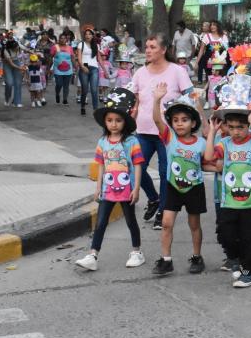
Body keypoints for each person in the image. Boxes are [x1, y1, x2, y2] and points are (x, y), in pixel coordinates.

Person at [203, 99, 251, 288]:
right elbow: (209, 157)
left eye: (240, 127)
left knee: (249, 238)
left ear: (248, 126)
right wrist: (212, 132)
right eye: (231, 127)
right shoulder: (225, 143)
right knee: (226, 235)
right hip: (229, 201)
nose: (236, 131)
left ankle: (248, 272)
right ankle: (234, 259)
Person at [75, 88, 146, 271]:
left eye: (118, 120)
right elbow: (101, 165)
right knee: (100, 223)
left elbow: (138, 165)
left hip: (126, 190)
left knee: (131, 221)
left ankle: (137, 252)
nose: (113, 124)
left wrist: (136, 188)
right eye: (110, 120)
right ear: (105, 122)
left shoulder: (132, 141)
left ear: (125, 122)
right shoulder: (103, 142)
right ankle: (93, 255)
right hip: (107, 190)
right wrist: (98, 187)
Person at [131, 33, 194, 230]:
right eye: (147, 47)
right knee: (134, 167)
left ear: (164, 49)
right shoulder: (140, 72)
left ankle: (163, 211)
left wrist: (199, 123)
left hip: (168, 133)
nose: (148, 50)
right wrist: (127, 124)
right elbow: (134, 101)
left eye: (152, 47)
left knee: (166, 171)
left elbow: (190, 95)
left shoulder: (177, 71)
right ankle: (153, 198)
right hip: (143, 131)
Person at [150, 86, 210, 276]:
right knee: (167, 223)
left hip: (195, 188)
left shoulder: (201, 143)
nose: (179, 124)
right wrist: (157, 100)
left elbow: (206, 162)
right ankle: (166, 259)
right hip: (173, 186)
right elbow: (157, 120)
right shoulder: (170, 139)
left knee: (194, 224)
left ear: (193, 123)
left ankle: (197, 256)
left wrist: (199, 107)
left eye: (184, 120)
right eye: (175, 120)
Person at [76, 28, 102, 116]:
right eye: (86, 34)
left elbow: (99, 58)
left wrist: (105, 70)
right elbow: (79, 58)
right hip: (85, 67)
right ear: (84, 35)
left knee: (94, 90)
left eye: (89, 34)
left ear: (92, 35)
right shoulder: (81, 44)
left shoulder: (96, 45)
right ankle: (82, 106)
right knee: (85, 90)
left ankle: (95, 109)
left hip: (94, 68)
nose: (88, 36)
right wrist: (82, 67)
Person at [198, 20, 228, 85]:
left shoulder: (224, 36)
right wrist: (197, 63)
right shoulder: (206, 36)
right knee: (209, 81)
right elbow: (201, 50)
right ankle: (209, 94)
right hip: (209, 62)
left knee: (220, 82)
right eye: (211, 25)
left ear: (218, 26)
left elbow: (226, 49)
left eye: (214, 25)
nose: (212, 26)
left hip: (220, 62)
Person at [51, 33, 75, 105]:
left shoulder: (70, 48)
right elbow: (51, 57)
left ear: (66, 40)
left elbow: (72, 58)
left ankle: (65, 99)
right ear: (59, 39)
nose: (63, 40)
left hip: (68, 70)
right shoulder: (55, 47)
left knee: (66, 85)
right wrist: (49, 68)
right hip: (57, 70)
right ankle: (57, 94)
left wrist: (75, 66)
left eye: (64, 38)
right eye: (61, 38)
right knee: (59, 84)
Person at [0, 39, 25, 108]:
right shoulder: (6, 51)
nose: (17, 49)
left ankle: (17, 101)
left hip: (16, 61)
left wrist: (32, 52)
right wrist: (20, 68)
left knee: (18, 83)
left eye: (17, 47)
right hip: (7, 64)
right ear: (11, 48)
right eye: (15, 48)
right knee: (9, 83)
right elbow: (11, 64)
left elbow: (26, 49)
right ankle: (7, 98)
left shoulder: (18, 46)